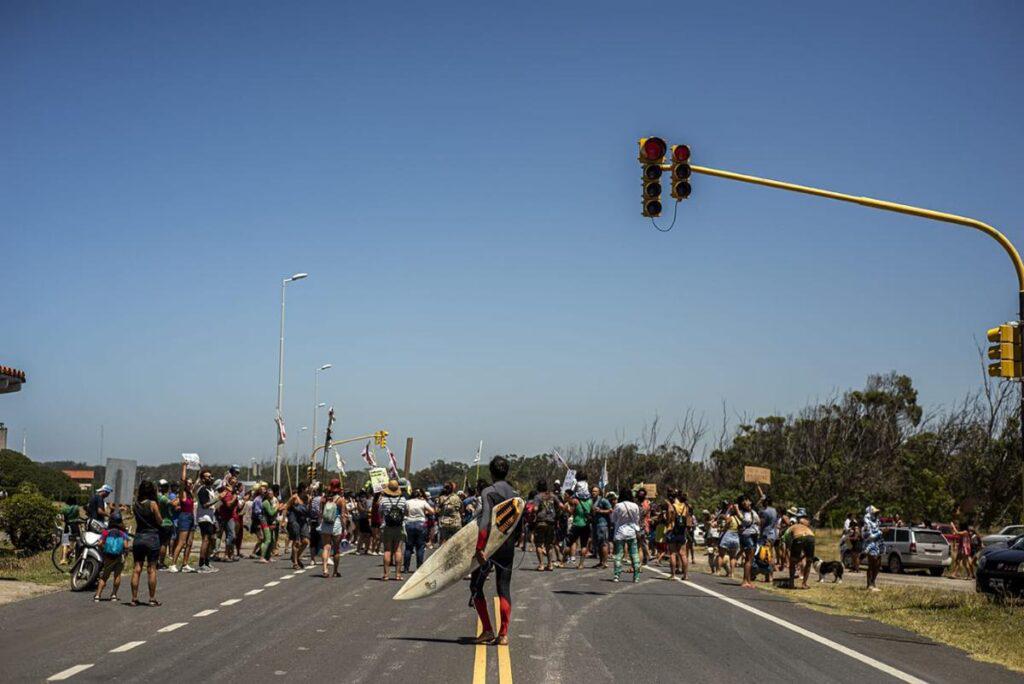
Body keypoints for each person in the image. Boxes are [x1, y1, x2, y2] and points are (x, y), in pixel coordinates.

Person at [470, 456, 519, 646]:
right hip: (507, 545)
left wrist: (480, 547)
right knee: (504, 588)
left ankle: (488, 629)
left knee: (475, 587)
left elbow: (485, 521)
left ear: (491, 472)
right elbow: (518, 522)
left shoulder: (488, 492)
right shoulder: (515, 494)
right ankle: (503, 634)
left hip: (490, 546)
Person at [130, 480, 163, 606]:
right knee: (152, 568)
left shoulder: (136, 504)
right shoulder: (153, 504)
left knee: (137, 568)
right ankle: (152, 598)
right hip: (152, 536)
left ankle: (134, 598)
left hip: (138, 537)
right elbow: (159, 521)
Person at [94, 511, 128, 603]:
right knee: (117, 575)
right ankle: (113, 595)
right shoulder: (123, 533)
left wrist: (104, 549)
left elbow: (100, 543)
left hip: (108, 556)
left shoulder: (106, 532)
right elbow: (126, 546)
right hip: (119, 556)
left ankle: (97, 595)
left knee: (105, 576)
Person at [168, 463, 196, 573]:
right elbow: (183, 480)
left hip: (191, 517)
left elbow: (197, 480)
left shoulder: (191, 494)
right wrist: (184, 467)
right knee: (181, 542)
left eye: (191, 483)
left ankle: (185, 563)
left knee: (189, 542)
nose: (190, 485)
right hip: (184, 516)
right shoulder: (182, 493)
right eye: (188, 483)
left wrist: (198, 469)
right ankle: (173, 564)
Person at [379, 480, 408, 581]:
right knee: (398, 550)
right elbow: (406, 512)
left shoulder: (383, 500)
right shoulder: (403, 500)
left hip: (388, 527)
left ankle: (386, 574)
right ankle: (398, 575)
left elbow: (380, 513)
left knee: (387, 550)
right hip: (399, 527)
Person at [610, 489, 641, 583]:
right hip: (631, 532)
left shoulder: (618, 506)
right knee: (634, 554)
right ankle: (636, 577)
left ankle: (616, 575)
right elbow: (637, 519)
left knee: (619, 554)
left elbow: (613, 519)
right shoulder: (635, 506)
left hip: (620, 532)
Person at [194, 468, 220, 574]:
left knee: (211, 539)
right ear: (203, 479)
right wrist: (217, 499)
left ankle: (207, 561)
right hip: (204, 518)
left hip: (211, 518)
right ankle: (201, 563)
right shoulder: (202, 490)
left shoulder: (211, 490)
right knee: (205, 539)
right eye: (207, 477)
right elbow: (205, 505)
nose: (210, 478)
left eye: (211, 476)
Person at [403, 489, 434, 574]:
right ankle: (419, 567)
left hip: (409, 524)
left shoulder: (407, 502)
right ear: (419, 496)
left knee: (408, 547)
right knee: (420, 547)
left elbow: (405, 513)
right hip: (421, 524)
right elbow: (432, 511)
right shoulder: (423, 502)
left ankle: (406, 568)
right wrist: (424, 512)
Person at [319, 479, 346, 578]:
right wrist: (344, 528)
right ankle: (335, 571)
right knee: (336, 549)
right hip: (336, 524)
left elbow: (320, 513)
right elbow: (343, 515)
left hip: (326, 524)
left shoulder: (324, 499)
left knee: (326, 547)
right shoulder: (341, 500)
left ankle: (325, 569)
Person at [782, 510, 815, 589]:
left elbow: (786, 544)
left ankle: (791, 583)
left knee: (792, 562)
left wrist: (790, 558)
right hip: (811, 537)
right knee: (809, 561)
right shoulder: (808, 528)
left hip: (798, 536)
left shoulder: (790, 528)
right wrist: (801, 557)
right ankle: (804, 584)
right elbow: (805, 553)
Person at [532, 480, 558, 571]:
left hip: (540, 522)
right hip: (551, 522)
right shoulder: (552, 496)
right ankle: (550, 565)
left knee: (539, 544)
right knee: (549, 545)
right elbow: (561, 506)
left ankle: (541, 565)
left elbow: (535, 509)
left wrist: (532, 512)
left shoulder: (537, 497)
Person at [665, 490, 690, 580]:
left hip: (672, 531)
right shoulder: (685, 506)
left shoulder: (672, 506)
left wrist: (668, 508)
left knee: (672, 553)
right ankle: (685, 575)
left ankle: (673, 575)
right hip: (682, 531)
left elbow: (669, 519)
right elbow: (687, 519)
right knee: (683, 554)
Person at [563, 490, 592, 569]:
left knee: (569, 543)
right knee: (583, 545)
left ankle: (562, 562)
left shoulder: (575, 501)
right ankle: (581, 564)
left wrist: (566, 509)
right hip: (586, 525)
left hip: (576, 524)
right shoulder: (590, 501)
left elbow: (571, 512)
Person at [285, 482, 311, 569]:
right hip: (294, 520)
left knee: (305, 541)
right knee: (296, 541)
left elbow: (308, 510)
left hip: (303, 521)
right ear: (303, 489)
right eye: (307, 488)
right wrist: (283, 521)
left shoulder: (307, 498)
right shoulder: (294, 497)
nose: (308, 490)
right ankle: (295, 562)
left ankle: (296, 556)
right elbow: (286, 507)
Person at [738, 495, 760, 589]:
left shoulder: (753, 511)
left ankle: (748, 580)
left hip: (754, 534)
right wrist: (736, 508)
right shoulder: (742, 512)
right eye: (745, 501)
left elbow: (762, 497)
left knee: (750, 559)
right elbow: (742, 520)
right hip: (747, 535)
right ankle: (745, 581)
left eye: (747, 500)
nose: (747, 502)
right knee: (748, 559)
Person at [862, 505, 884, 591]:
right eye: (875, 513)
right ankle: (869, 584)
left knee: (878, 564)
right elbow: (870, 536)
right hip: (870, 545)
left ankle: (873, 582)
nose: (877, 514)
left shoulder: (876, 522)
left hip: (878, 544)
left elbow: (877, 531)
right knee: (872, 564)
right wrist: (881, 532)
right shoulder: (866, 523)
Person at [590, 486, 612, 569]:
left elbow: (610, 510)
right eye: (592, 491)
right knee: (598, 544)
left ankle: (605, 563)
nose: (593, 492)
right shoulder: (592, 501)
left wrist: (601, 511)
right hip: (595, 525)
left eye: (595, 491)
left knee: (603, 544)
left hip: (602, 525)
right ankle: (601, 561)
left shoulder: (603, 500)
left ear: (599, 492)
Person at [156, 480, 175, 569]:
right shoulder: (163, 498)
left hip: (158, 522)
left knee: (159, 543)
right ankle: (161, 563)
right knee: (164, 544)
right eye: (166, 486)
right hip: (166, 522)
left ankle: (156, 561)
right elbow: (173, 504)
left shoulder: (155, 497)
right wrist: (179, 497)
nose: (167, 488)